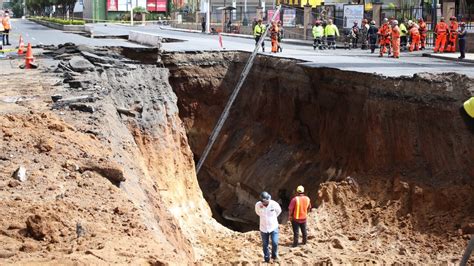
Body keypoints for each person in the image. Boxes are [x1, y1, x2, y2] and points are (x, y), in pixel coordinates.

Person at [255, 191, 282, 263]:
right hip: (263, 228)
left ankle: (274, 255)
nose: (267, 202)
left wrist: (273, 218)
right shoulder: (258, 205)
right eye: (265, 202)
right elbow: (257, 212)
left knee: (275, 242)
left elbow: (279, 211)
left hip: (273, 226)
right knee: (265, 244)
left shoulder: (274, 204)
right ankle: (267, 258)